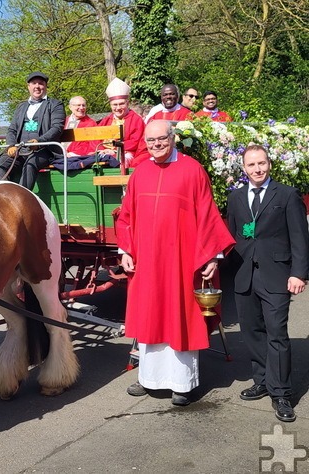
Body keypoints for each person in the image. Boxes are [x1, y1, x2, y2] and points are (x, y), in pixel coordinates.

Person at [117, 120, 235, 406]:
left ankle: (183, 383)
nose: (156, 144)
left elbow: (208, 214)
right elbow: (126, 216)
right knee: (150, 315)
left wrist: (211, 256)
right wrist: (126, 250)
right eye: (151, 140)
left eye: (161, 139)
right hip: (146, 261)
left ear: (172, 138)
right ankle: (149, 379)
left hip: (180, 261)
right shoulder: (140, 172)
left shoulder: (192, 170)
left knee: (179, 315)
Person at [226, 145, 309, 422]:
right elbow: (231, 236)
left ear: (269, 164)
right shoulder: (236, 197)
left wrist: (299, 273)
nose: (257, 169)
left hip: (277, 275)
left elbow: (300, 237)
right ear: (244, 168)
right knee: (252, 332)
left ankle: (281, 393)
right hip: (244, 274)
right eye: (251, 165)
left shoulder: (286, 195)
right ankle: (262, 380)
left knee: (277, 334)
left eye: (261, 163)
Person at [0, 71, 65, 190]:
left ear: (45, 87)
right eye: (34, 83)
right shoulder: (21, 107)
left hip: (46, 151)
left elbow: (57, 128)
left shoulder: (55, 105)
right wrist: (11, 145)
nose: (37, 86)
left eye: (41, 83)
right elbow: (12, 130)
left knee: (31, 163)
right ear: (28, 86)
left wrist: (39, 141)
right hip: (20, 151)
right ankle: (6, 197)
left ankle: (22, 200)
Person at [97, 78, 151, 168]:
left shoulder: (136, 120)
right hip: (104, 152)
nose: (118, 108)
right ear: (110, 105)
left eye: (121, 104)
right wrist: (102, 149)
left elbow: (135, 142)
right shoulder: (105, 121)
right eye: (115, 104)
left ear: (127, 103)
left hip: (126, 153)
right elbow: (95, 140)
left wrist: (115, 150)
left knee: (121, 161)